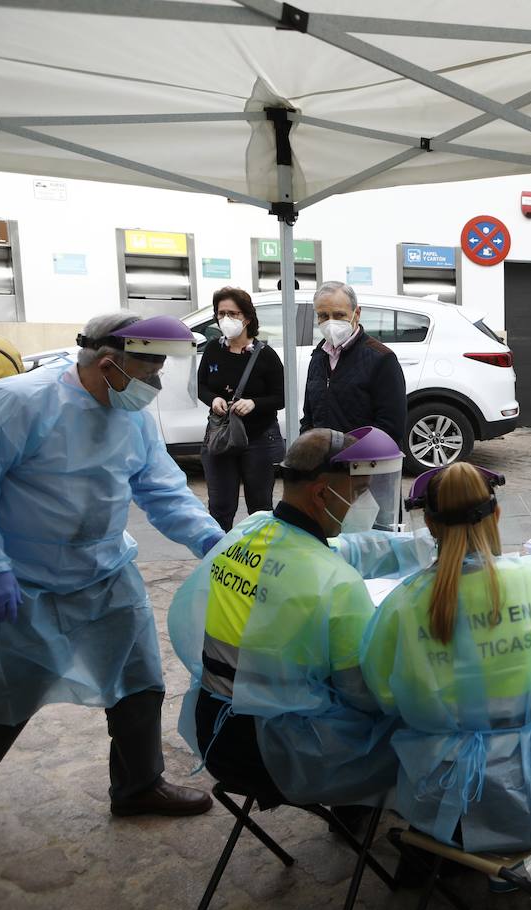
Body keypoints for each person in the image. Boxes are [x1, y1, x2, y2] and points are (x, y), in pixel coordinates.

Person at [357, 463, 531, 910]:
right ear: (496, 516)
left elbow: (383, 692)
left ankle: (496, 867)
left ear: (430, 525)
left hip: (437, 800)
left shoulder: (403, 602)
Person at [0, 313, 223, 816]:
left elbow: (160, 488)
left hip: (106, 572)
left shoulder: (132, 414)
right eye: (148, 373)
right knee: (5, 697)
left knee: (139, 679)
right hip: (26, 583)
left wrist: (209, 538)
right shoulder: (22, 402)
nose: (154, 385)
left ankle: (139, 786)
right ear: (106, 364)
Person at [167, 427, 402, 810]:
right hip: (280, 753)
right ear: (322, 492)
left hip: (213, 730)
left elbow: (345, 548)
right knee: (412, 730)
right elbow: (363, 695)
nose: (363, 504)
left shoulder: (249, 529)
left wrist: (419, 546)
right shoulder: (339, 584)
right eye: (358, 493)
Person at [301, 280, 407, 528]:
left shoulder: (381, 359)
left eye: (339, 315)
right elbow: (310, 416)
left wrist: (349, 456)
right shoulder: (318, 358)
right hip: (328, 476)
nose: (330, 322)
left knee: (377, 543)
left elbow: (391, 427)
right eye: (323, 316)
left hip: (371, 477)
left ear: (356, 313)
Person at [198, 286, 286, 531]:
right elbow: (201, 386)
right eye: (221, 313)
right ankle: (220, 558)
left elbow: (280, 397)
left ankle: (257, 560)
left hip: (259, 438)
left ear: (247, 318)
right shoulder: (213, 350)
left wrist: (254, 403)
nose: (226, 318)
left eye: (233, 314)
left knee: (259, 509)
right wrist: (213, 399)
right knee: (220, 507)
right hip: (221, 436)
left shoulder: (266, 355)